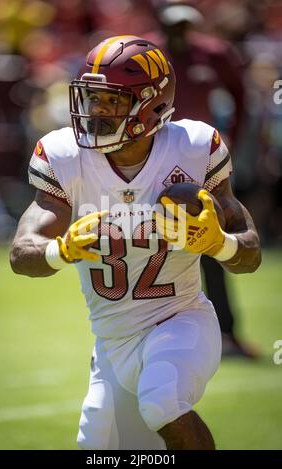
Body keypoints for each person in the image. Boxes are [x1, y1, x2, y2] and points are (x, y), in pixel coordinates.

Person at [10, 35, 261, 450]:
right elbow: (22, 253)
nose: (97, 111)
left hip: (180, 319)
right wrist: (61, 250)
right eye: (92, 98)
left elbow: (249, 254)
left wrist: (220, 245)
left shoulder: (194, 147)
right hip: (112, 341)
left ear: (152, 104)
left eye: (113, 101)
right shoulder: (64, 154)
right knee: (98, 448)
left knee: (162, 402)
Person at [156, 1, 259, 358]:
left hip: (202, 165)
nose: (179, 33)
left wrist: (231, 141)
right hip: (155, 166)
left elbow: (242, 97)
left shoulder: (213, 54)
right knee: (157, 249)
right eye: (173, 26)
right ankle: (159, 338)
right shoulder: (150, 56)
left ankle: (226, 335)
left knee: (214, 246)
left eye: (185, 26)